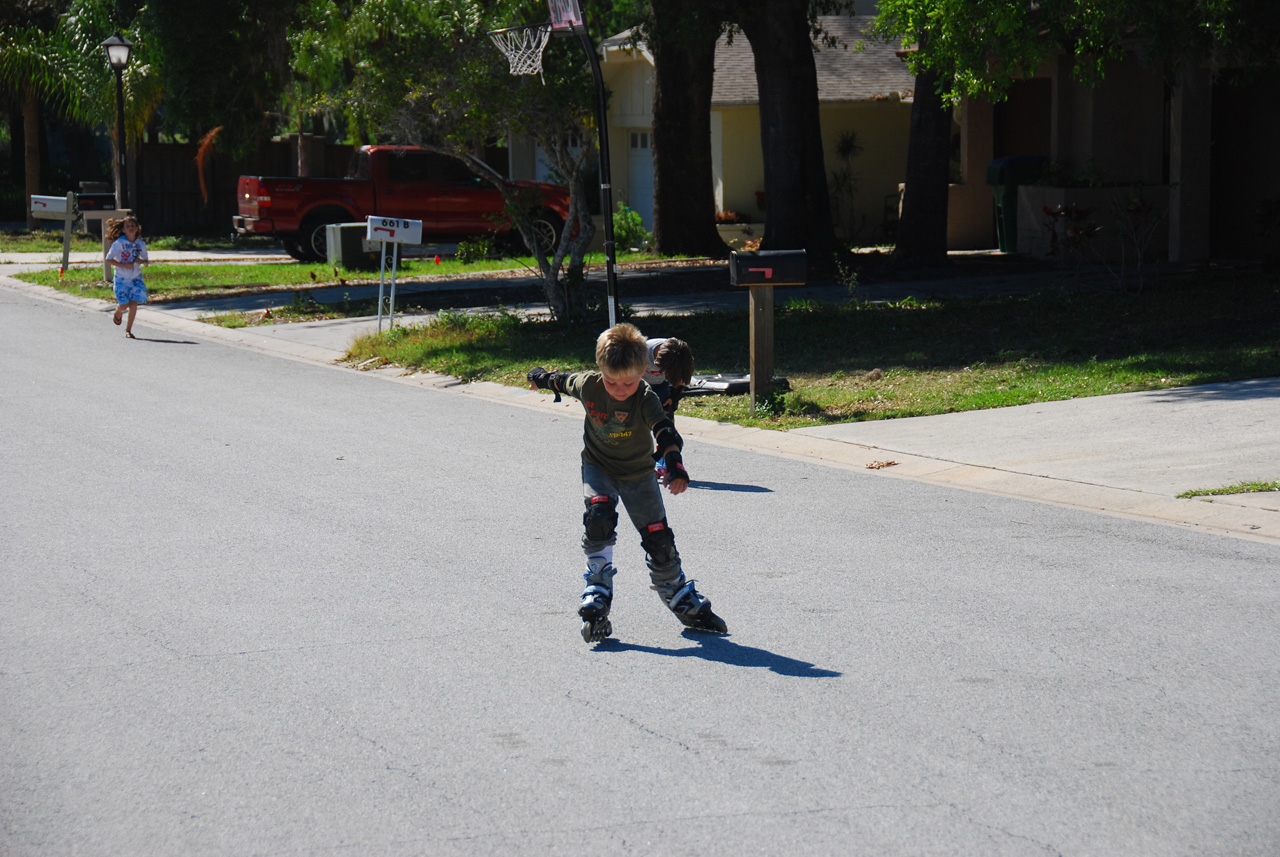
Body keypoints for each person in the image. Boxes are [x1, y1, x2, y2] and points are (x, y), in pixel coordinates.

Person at [528, 323, 727, 643]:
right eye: (612, 381)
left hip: (639, 473)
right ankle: (597, 585)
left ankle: (676, 592)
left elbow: (664, 430)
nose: (620, 389)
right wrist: (540, 378)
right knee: (599, 515)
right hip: (599, 468)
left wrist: (675, 466)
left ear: (644, 372)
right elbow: (561, 379)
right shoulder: (589, 385)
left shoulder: (646, 396)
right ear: (600, 371)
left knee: (658, 537)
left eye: (629, 382)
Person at [105, 215, 149, 339]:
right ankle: (118, 310)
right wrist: (123, 266)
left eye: (133, 226)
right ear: (123, 230)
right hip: (121, 278)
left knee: (134, 304)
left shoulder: (141, 244)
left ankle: (128, 330)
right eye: (128, 226)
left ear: (137, 229)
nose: (130, 228)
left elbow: (146, 261)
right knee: (124, 305)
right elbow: (108, 259)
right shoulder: (119, 243)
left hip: (135, 278)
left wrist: (142, 262)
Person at [643, 337, 693, 422]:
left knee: (666, 414)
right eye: (668, 372)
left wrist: (674, 397)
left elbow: (681, 380)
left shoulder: (680, 356)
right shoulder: (642, 353)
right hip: (640, 384)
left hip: (661, 384)